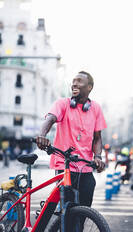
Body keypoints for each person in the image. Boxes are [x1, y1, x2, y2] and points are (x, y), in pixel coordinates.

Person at [36, 71, 107, 207]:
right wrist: (42, 136)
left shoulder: (96, 108)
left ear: (89, 87)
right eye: (73, 81)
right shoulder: (62, 104)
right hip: (65, 165)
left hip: (85, 167)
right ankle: (63, 225)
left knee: (84, 209)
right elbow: (50, 119)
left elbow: (97, 138)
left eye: (79, 81)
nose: (74, 84)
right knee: (67, 210)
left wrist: (98, 156)